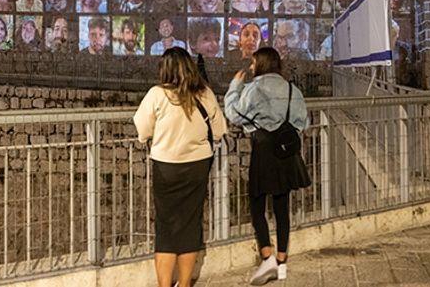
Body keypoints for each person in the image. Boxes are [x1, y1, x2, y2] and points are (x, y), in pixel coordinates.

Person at [133, 47, 226, 287]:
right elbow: (219, 131)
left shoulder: (156, 95)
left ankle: (165, 285)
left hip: (167, 167)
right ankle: (184, 284)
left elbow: (143, 131)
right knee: (189, 224)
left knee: (166, 226)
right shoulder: (205, 94)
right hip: (197, 166)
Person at [223, 47, 311, 285]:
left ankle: (267, 256)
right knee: (282, 207)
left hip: (263, 152)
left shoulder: (255, 88)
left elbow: (233, 114)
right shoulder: (292, 89)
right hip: (284, 153)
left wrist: (235, 86)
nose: (250, 67)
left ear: (260, 64)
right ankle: (282, 264)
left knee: (257, 202)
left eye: (253, 63)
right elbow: (304, 121)